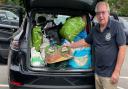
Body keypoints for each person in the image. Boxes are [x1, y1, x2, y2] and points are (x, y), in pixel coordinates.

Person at [65, 1, 126, 89]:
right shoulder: (95, 29)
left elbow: (122, 49)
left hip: (110, 75)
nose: (101, 16)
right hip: (97, 73)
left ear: (108, 13)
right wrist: (70, 46)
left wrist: (117, 71)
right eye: (98, 13)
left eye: (103, 12)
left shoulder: (116, 26)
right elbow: (85, 41)